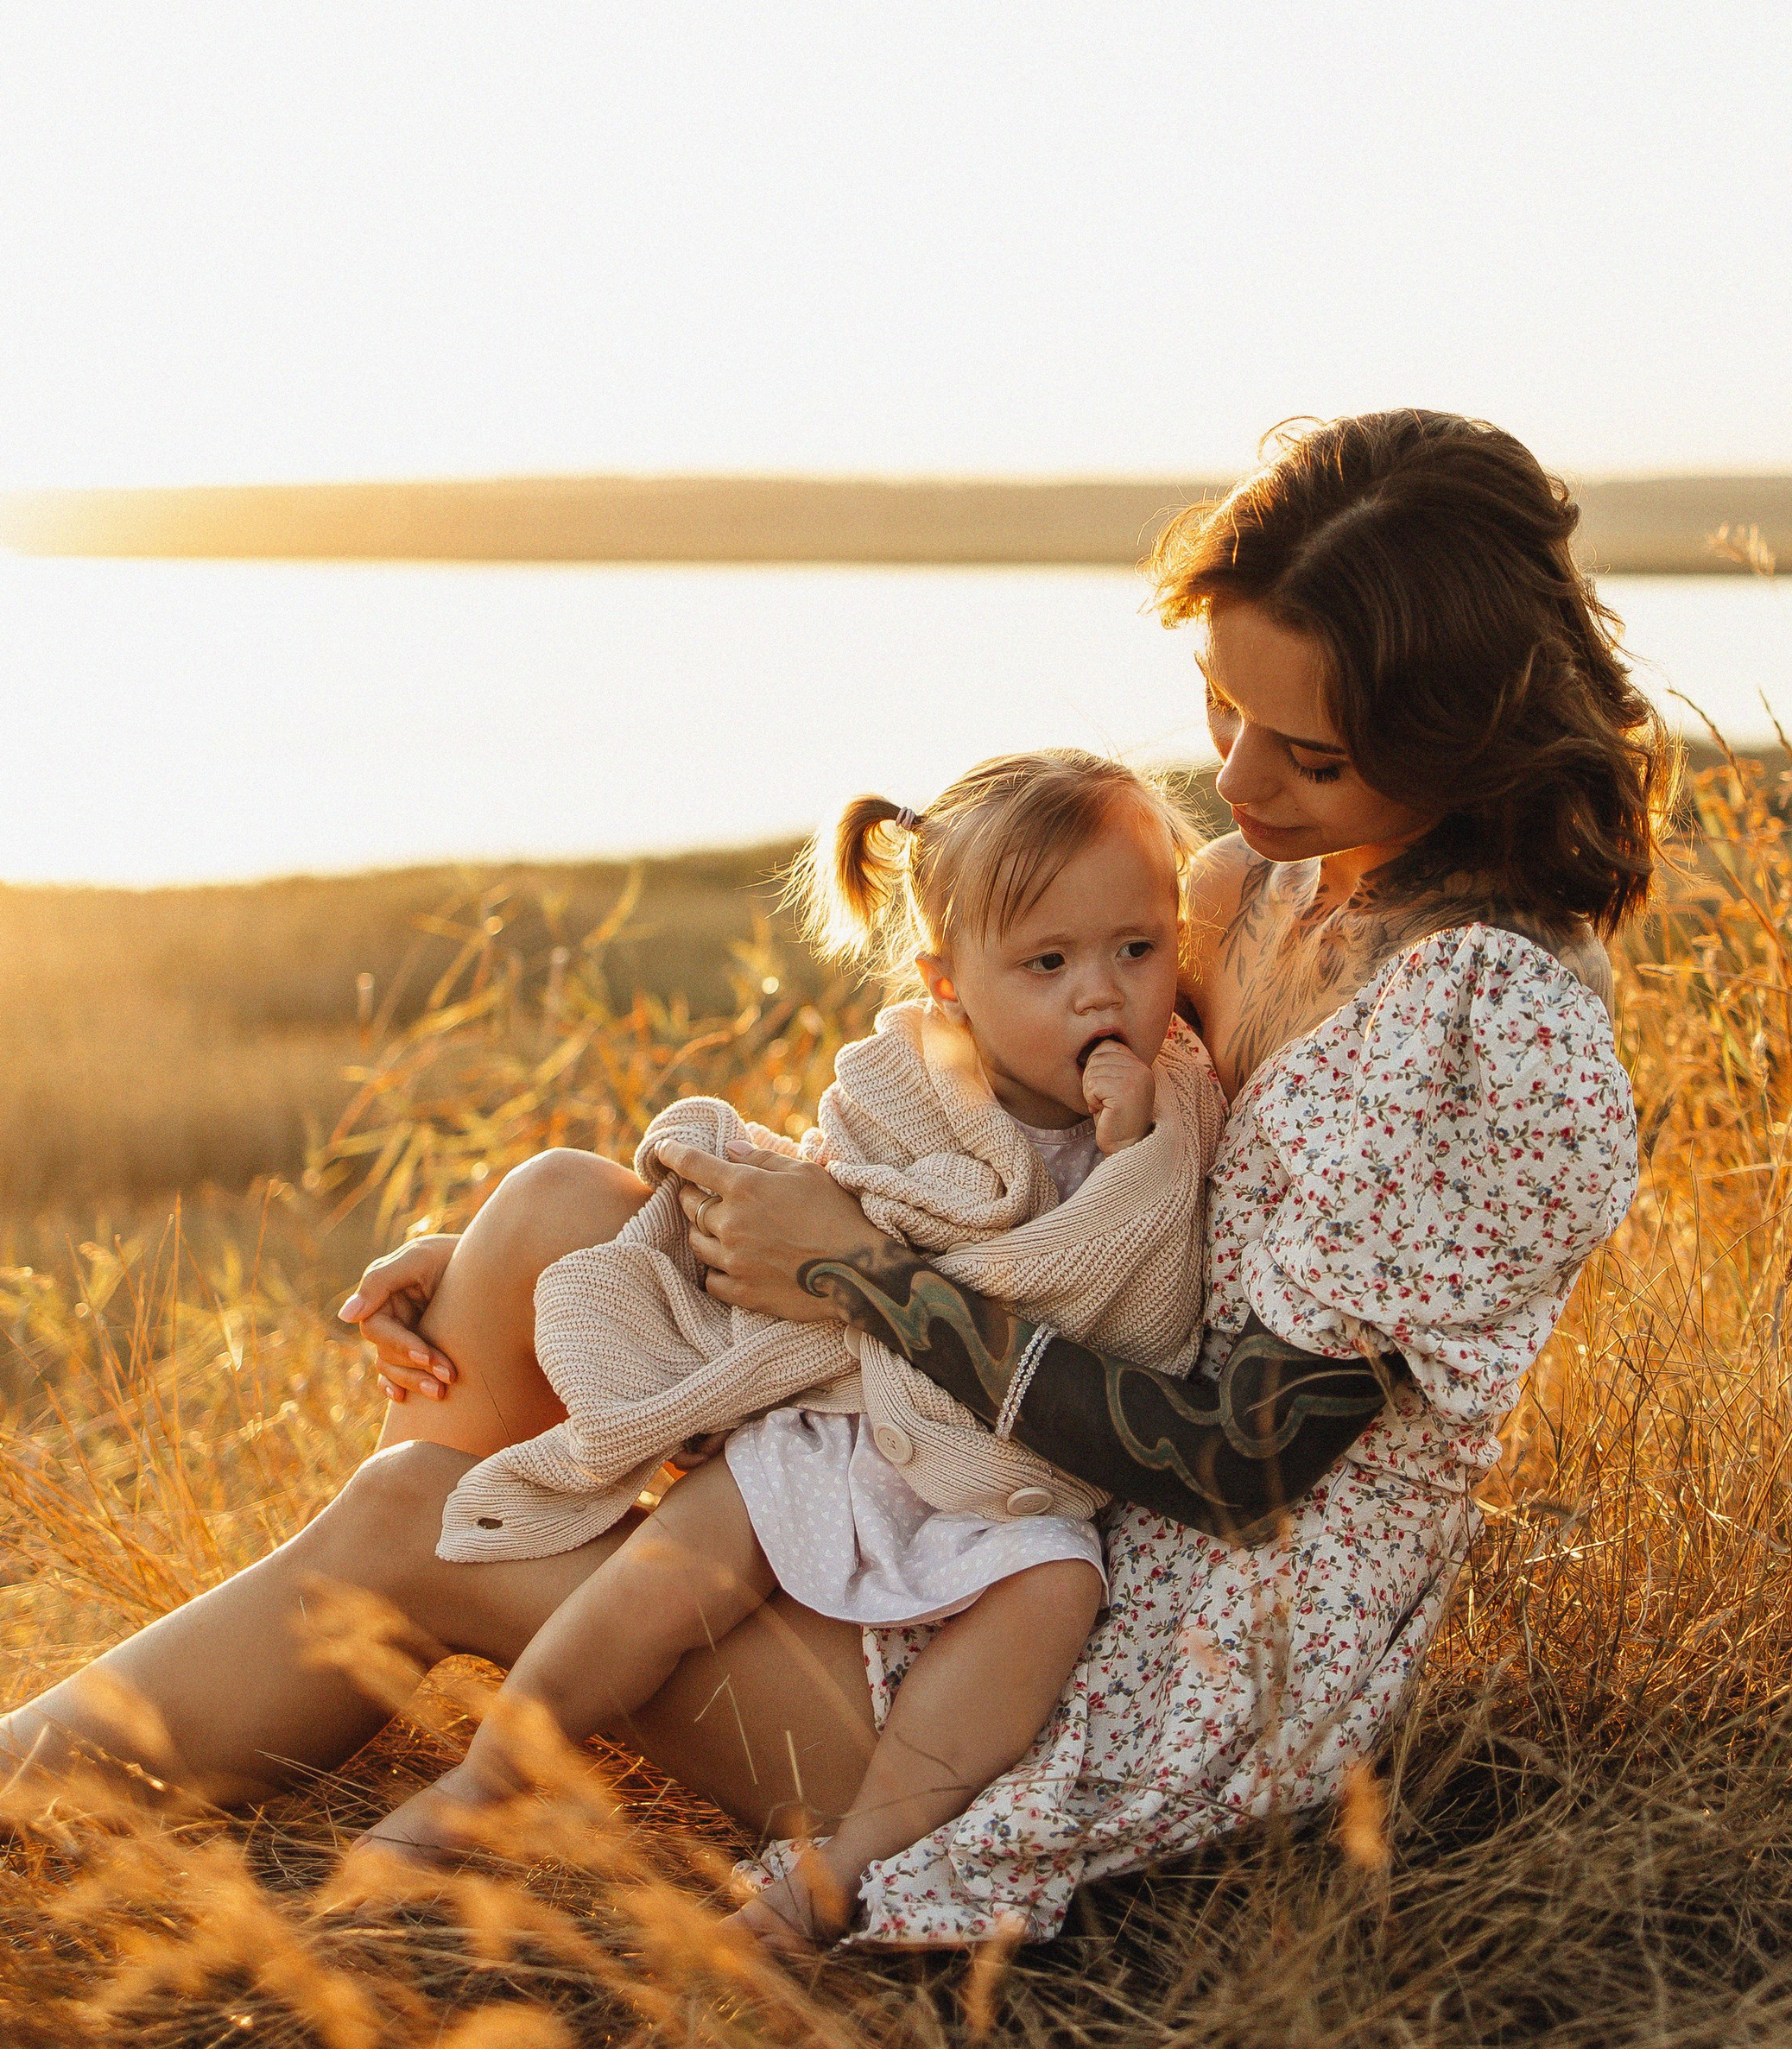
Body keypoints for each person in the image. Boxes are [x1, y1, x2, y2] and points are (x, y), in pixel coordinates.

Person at [1, 411, 1663, 1952]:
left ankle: (120, 1758)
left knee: (397, 1516)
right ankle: (433, 1628)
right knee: (550, 1219)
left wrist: (860, 1280)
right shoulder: (1276, 883)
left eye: (1303, 752)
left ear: (1466, 740)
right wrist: (683, 1242)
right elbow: (1035, 1156)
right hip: (980, 1462)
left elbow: (1236, 1468)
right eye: (1224, 711)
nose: (1233, 785)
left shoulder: (1488, 1028)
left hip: (1104, 1666)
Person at [359, 749, 1223, 1951]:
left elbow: (1139, 1304)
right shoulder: (914, 1082)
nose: (1103, 995)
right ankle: (489, 1780)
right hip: (853, 1414)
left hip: (1009, 1469)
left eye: (1137, 948)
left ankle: (852, 1861)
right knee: (671, 1575)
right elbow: (818, 1202)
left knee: (1056, 1590)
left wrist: (1129, 1154)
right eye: (1047, 964)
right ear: (951, 986)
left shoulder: (1173, 1104)